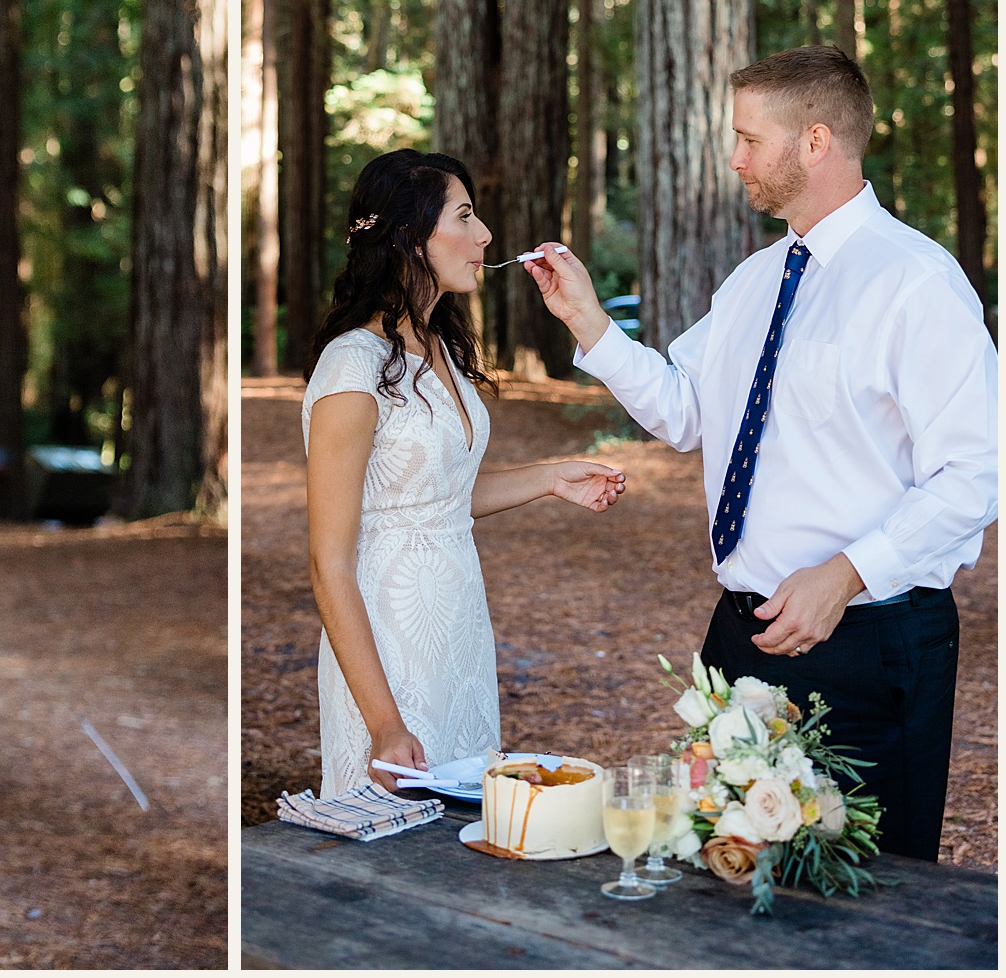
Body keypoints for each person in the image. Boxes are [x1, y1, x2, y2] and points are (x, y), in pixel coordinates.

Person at [527, 46, 997, 860]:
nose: (735, 158)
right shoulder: (753, 281)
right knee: (726, 878)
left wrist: (844, 576)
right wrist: (589, 325)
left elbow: (975, 474)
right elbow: (684, 411)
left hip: (870, 643)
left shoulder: (918, 283)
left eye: (749, 139)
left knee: (866, 901)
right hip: (737, 644)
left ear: (815, 142)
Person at [303, 149, 628, 797]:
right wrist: (384, 724)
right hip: (388, 641)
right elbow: (327, 562)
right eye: (466, 216)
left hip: (459, 628)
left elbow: (434, 500)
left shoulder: (443, 349)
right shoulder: (352, 367)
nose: (483, 236)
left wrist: (550, 476)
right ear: (408, 236)